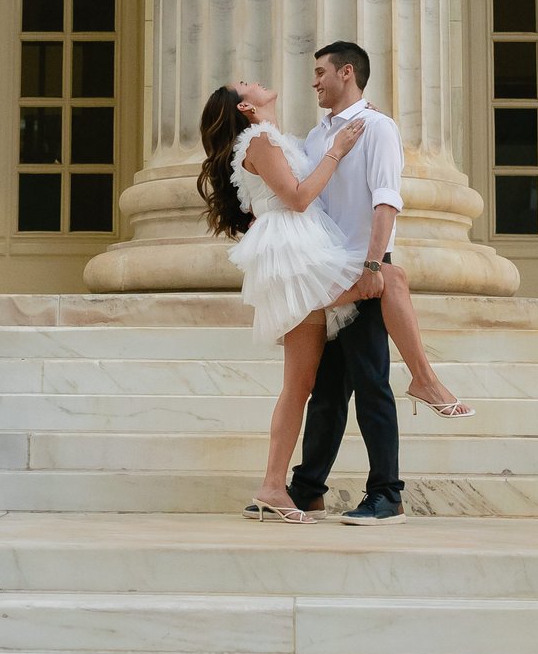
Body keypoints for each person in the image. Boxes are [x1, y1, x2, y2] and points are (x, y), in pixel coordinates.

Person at [284, 42, 474, 527]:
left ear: (347, 73)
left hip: (364, 269)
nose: (315, 81)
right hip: (327, 275)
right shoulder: (315, 136)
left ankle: (387, 494)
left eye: (321, 72)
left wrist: (373, 267)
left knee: (371, 382)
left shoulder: (378, 128)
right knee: (327, 390)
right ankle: (307, 490)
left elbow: (386, 201)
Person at [197, 79, 366, 523]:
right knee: (382, 282)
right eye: (244, 85)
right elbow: (296, 197)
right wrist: (337, 151)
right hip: (295, 251)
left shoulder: (269, 139)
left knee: (300, 384)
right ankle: (274, 483)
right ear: (247, 107)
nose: (255, 81)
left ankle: (275, 484)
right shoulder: (260, 140)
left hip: (301, 245)